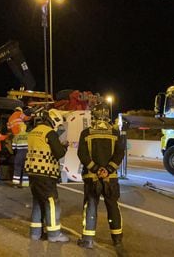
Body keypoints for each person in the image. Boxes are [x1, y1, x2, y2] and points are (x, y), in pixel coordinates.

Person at [76, 103, 125, 249]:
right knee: (113, 206)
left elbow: (82, 154)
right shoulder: (116, 133)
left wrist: (96, 169)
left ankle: (88, 239)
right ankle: (117, 239)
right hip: (111, 178)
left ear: (94, 115)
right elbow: (120, 153)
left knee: (91, 205)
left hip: (92, 178)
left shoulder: (86, 133)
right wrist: (108, 170)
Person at [25, 109, 69, 243]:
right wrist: (64, 147)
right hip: (46, 173)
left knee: (38, 202)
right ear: (53, 121)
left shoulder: (33, 132)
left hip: (33, 172)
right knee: (52, 203)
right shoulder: (49, 133)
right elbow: (59, 153)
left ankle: (35, 233)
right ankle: (54, 234)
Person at [12, 122, 29, 188]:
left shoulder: (16, 136)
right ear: (25, 128)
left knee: (17, 168)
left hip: (19, 153)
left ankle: (16, 183)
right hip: (27, 154)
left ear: (19, 128)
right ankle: (25, 184)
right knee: (26, 169)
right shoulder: (28, 135)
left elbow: (13, 147)